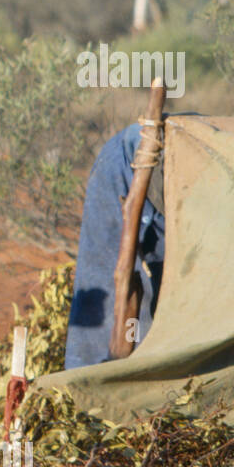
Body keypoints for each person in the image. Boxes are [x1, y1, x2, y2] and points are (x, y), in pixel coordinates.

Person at [64, 123, 166, 370]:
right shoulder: (122, 161)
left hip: (144, 158)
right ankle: (92, 380)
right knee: (109, 309)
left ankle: (96, 379)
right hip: (135, 161)